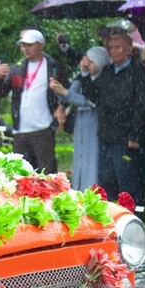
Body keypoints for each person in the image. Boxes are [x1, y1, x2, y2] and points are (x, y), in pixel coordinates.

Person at [83, 25, 145, 204]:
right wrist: (86, 74)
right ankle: (112, 219)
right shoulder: (107, 72)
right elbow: (93, 95)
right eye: (111, 48)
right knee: (106, 180)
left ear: (128, 48)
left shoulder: (138, 72)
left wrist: (135, 134)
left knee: (128, 182)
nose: (113, 51)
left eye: (118, 47)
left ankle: (134, 218)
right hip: (106, 134)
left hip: (126, 136)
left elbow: (141, 105)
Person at [0, 29, 67, 173]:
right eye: (23, 45)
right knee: (22, 173)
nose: (25, 49)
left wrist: (61, 107)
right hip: (20, 128)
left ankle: (51, 195)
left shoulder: (53, 66)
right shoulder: (17, 67)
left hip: (43, 127)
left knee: (47, 172)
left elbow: (65, 90)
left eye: (29, 45)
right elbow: (2, 91)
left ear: (41, 45)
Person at [50, 47, 110, 191]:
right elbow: (70, 94)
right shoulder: (83, 77)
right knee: (80, 154)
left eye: (91, 62)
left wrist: (64, 92)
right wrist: (58, 90)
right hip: (81, 121)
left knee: (91, 156)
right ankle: (79, 187)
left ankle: (92, 189)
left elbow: (89, 101)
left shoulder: (104, 78)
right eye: (87, 61)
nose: (88, 64)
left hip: (93, 121)